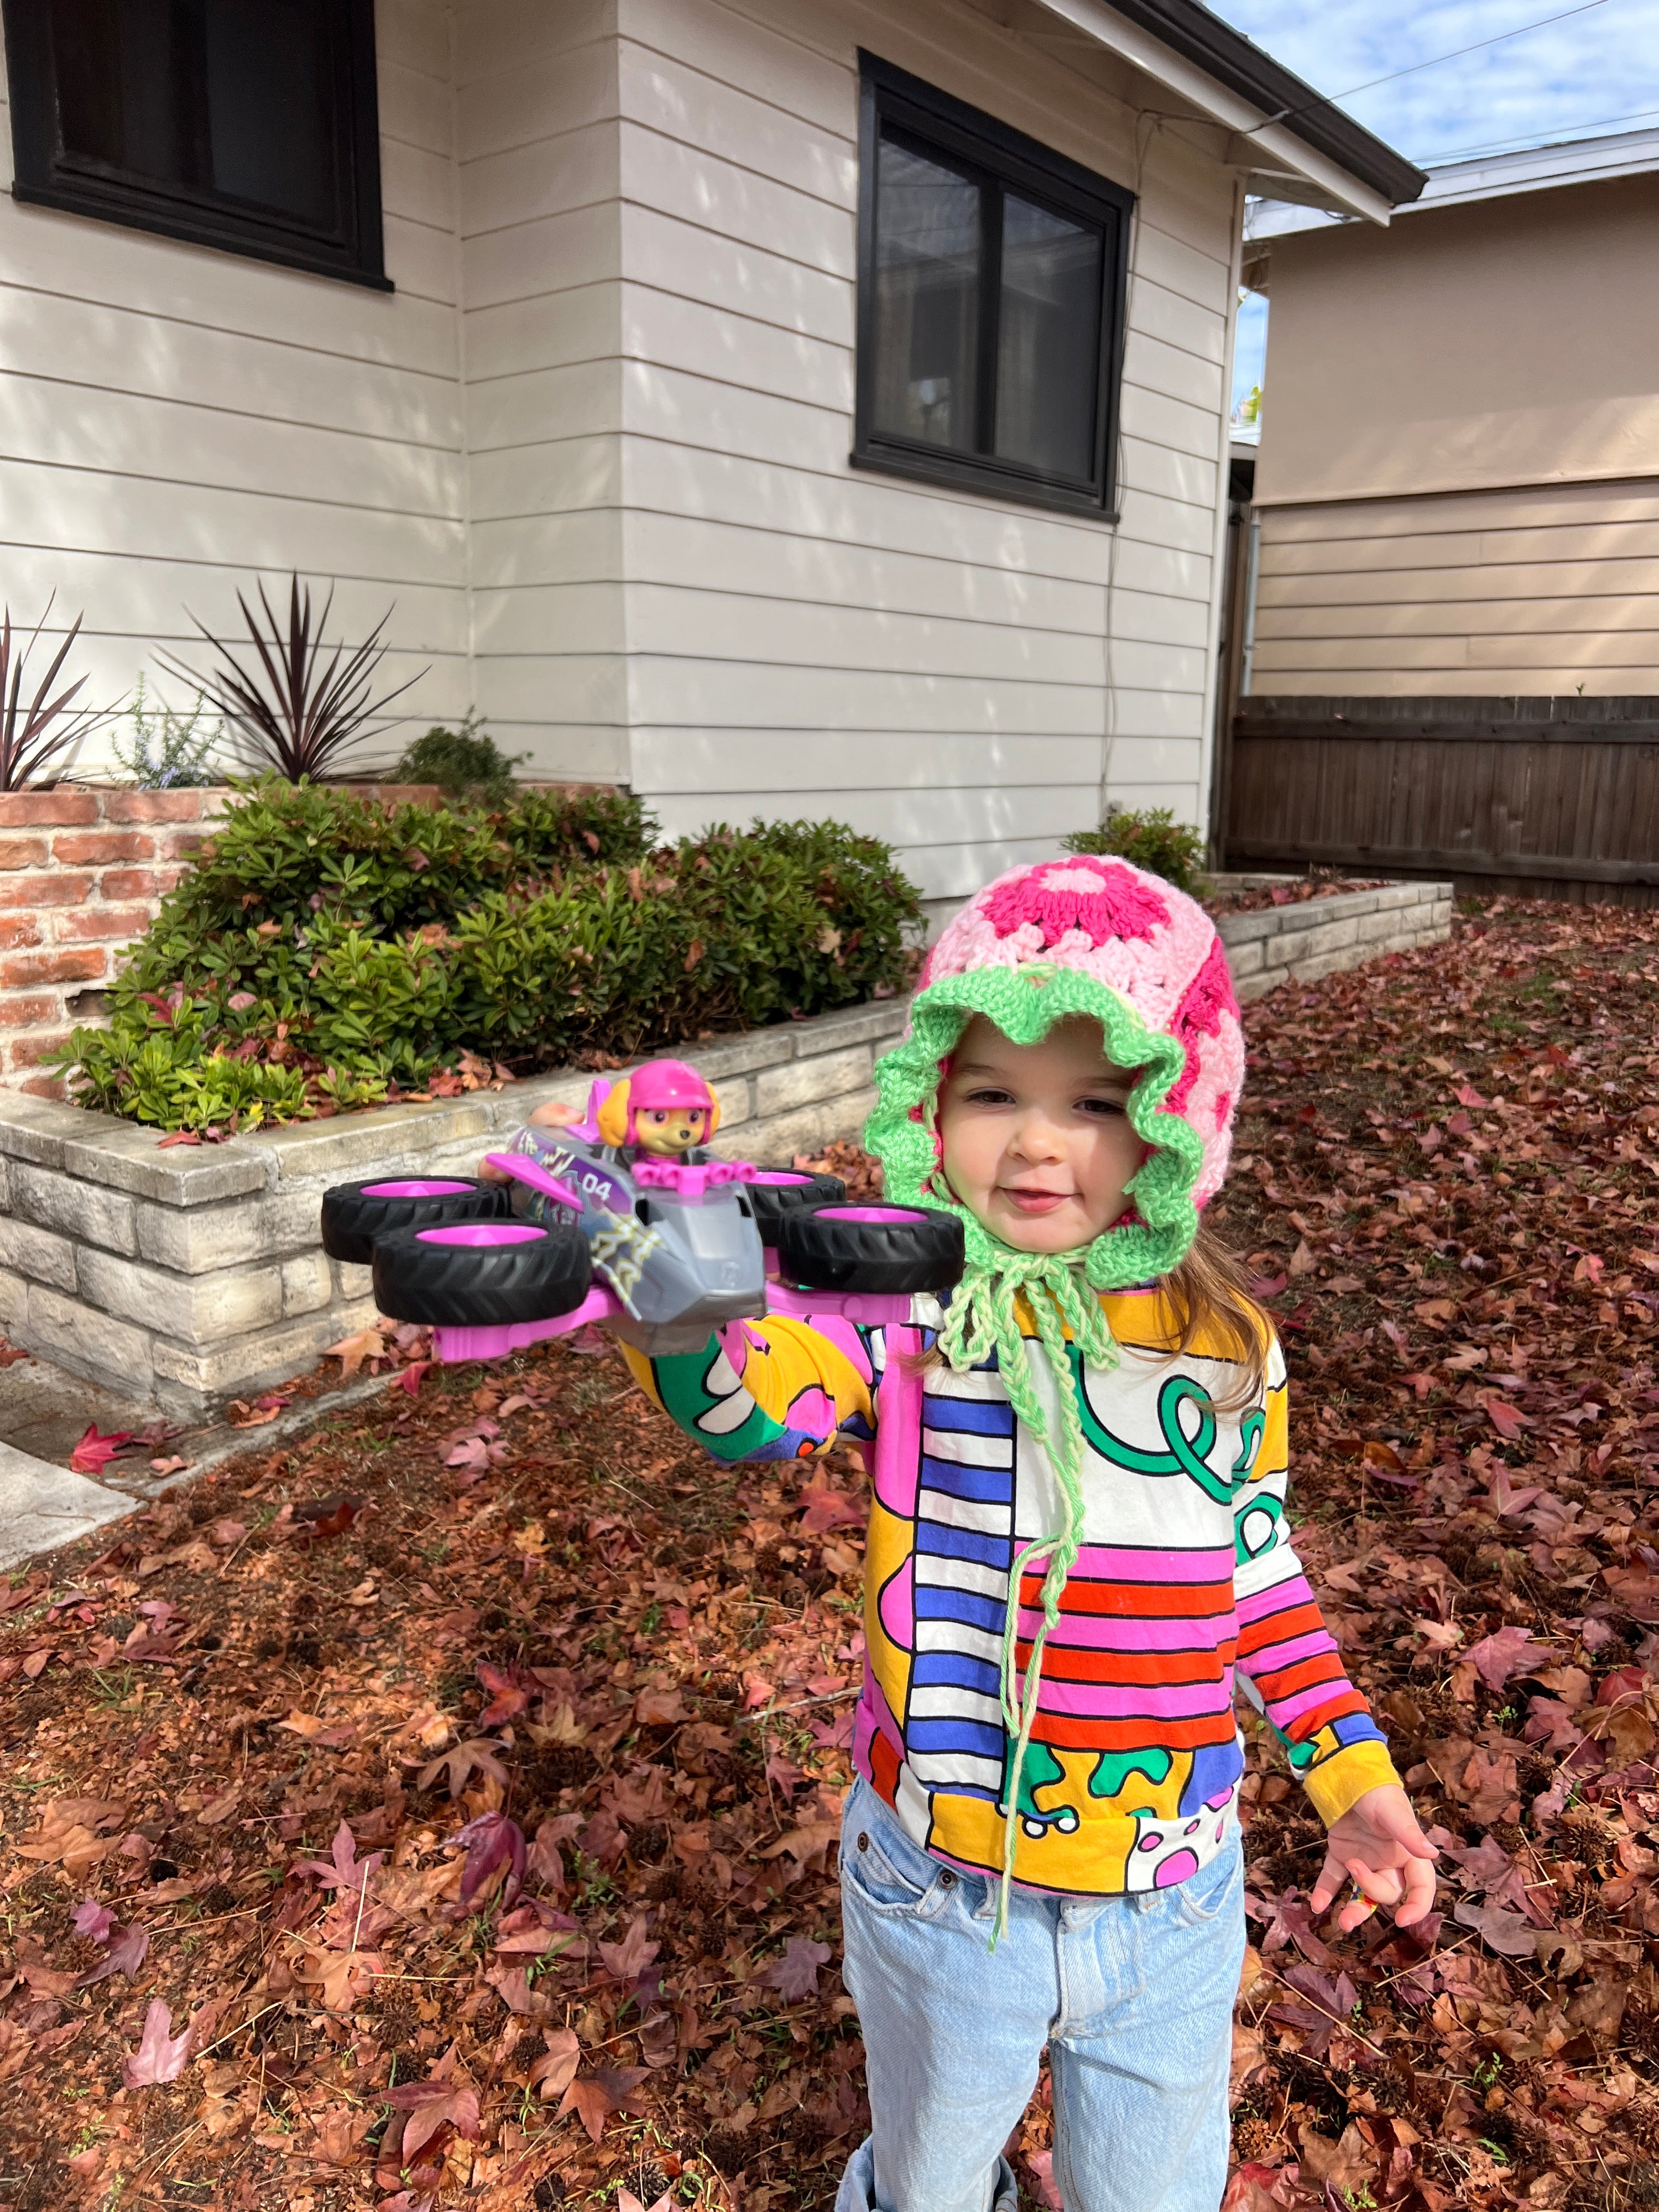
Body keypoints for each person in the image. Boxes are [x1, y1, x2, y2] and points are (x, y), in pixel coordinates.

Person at [513, 854, 1437, 2212]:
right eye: (993, 1092)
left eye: (1097, 1101)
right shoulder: (902, 1313)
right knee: (931, 2180)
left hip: (1172, 1894)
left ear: (1179, 1123)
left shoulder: (1228, 1350)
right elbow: (756, 1406)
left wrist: (1349, 1773)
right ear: (931, 1105)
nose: (1039, 1141)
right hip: (940, 1885)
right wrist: (677, 1313)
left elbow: (1259, 1575)